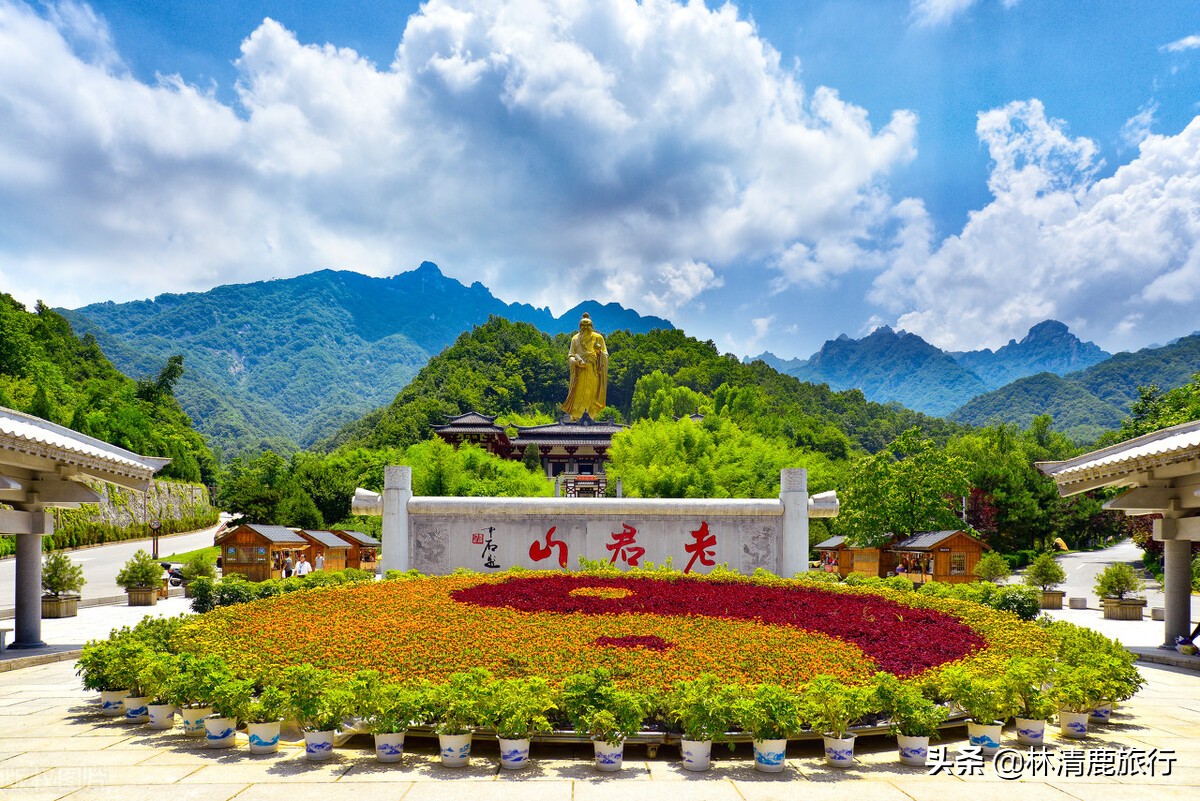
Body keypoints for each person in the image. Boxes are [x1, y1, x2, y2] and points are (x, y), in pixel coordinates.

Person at [561, 313, 608, 420]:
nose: (585, 327)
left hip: (593, 371)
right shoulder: (575, 339)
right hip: (579, 373)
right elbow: (571, 355)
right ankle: (576, 416)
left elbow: (605, 354)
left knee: (592, 394)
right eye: (583, 325)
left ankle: (592, 416)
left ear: (592, 326)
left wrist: (599, 352)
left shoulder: (598, 338)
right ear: (579, 326)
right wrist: (576, 362)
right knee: (578, 394)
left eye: (588, 325)